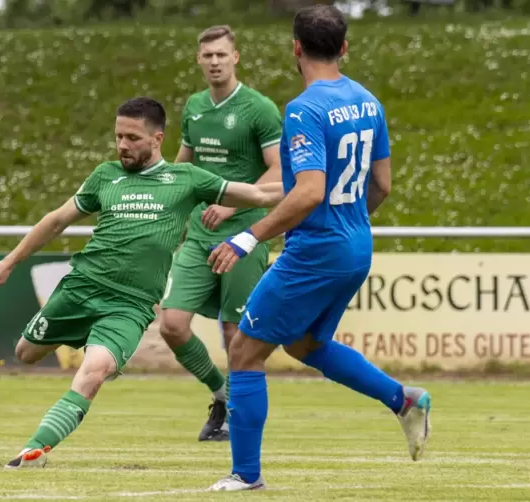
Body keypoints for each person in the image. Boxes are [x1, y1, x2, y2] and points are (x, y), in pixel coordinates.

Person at [0, 97, 285, 469]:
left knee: (94, 372)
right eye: (118, 136)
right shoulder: (106, 175)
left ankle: (33, 452)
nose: (123, 145)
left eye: (133, 138)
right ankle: (92, 344)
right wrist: (9, 263)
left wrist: (314, 182)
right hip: (81, 287)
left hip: (129, 306)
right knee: (25, 353)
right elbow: (57, 220)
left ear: (157, 138)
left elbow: (258, 194)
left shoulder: (185, 179)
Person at [205, 6, 432, 491]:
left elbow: (308, 191)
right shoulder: (368, 101)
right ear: (344, 47)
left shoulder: (305, 109)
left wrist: (247, 237)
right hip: (356, 244)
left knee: (244, 351)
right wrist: (347, 222)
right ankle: (403, 400)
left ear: (296, 48)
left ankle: (245, 475)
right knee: (305, 344)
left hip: (318, 248)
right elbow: (383, 185)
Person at [158, 25, 284, 442]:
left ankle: (235, 419)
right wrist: (163, 206)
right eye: (207, 55)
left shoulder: (258, 109)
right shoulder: (194, 107)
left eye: (221, 55)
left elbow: (279, 170)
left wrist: (232, 203)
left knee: (235, 332)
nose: (214, 61)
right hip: (199, 233)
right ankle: (221, 393)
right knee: (173, 324)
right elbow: (182, 166)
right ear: (199, 60)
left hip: (245, 233)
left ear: (236, 58)